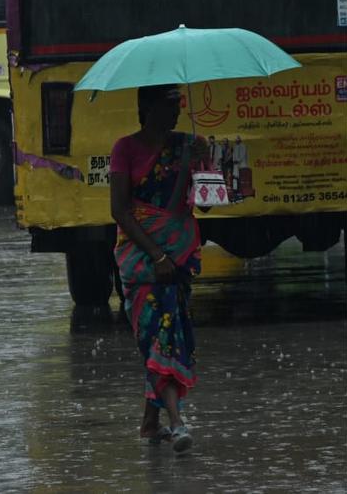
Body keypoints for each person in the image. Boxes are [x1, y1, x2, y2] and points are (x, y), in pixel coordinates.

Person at [109, 84, 205, 454]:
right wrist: (156, 256)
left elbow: (207, 204)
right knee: (158, 338)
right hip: (141, 263)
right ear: (146, 108)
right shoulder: (125, 149)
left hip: (179, 260)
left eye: (179, 103)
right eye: (169, 104)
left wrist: (204, 162)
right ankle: (176, 422)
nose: (177, 111)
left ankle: (151, 424)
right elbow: (119, 210)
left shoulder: (185, 146)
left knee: (169, 336)